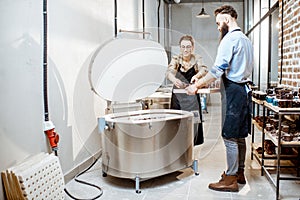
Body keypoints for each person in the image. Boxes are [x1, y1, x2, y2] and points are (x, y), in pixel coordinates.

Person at [186, 5, 254, 192]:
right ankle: (239, 173)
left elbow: (218, 70)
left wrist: (196, 85)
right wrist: (200, 77)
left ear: (227, 19)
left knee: (229, 135)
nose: (217, 27)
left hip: (233, 91)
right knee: (240, 136)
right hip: (244, 91)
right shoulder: (246, 40)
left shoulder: (229, 39)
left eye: (218, 23)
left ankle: (230, 179)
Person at [166, 35, 208, 145]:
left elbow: (204, 70)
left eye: (188, 47)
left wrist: (197, 76)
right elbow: (169, 72)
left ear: (192, 47)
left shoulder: (197, 58)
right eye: (183, 47)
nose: (185, 49)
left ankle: (191, 155)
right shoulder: (176, 59)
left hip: (192, 97)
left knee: (193, 126)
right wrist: (175, 80)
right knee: (177, 125)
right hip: (178, 97)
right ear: (180, 47)